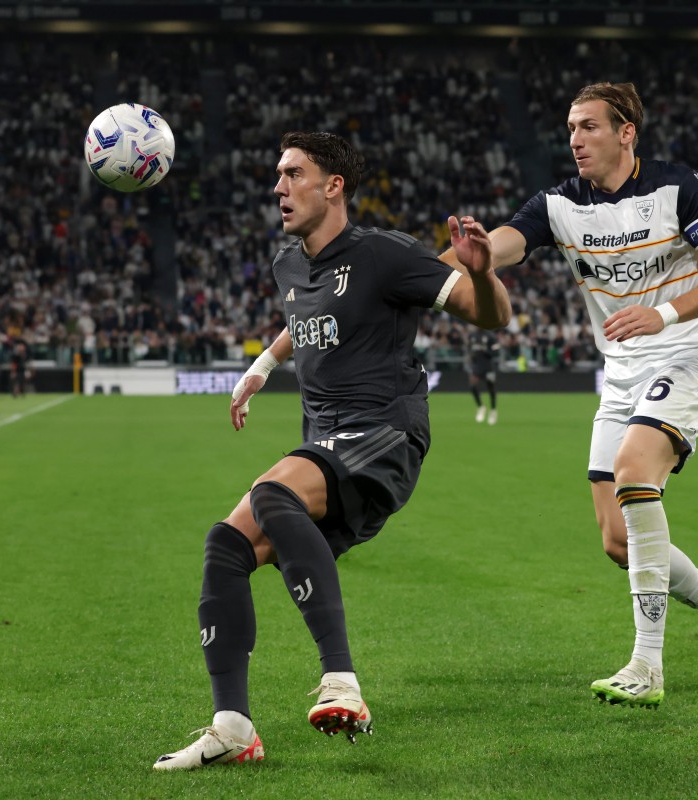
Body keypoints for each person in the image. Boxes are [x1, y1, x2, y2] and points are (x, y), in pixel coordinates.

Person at [153, 131, 510, 770]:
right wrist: (261, 365)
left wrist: (481, 275)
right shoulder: (288, 263)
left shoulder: (386, 255)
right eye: (278, 175)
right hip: (326, 440)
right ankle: (233, 727)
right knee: (226, 547)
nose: (278, 187)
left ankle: (341, 680)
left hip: (385, 434)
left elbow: (492, 317)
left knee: (271, 493)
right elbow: (307, 317)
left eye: (293, 174)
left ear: (333, 186)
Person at [441, 82, 698, 707]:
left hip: (686, 355)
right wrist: (476, 259)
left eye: (588, 126)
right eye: (569, 128)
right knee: (618, 539)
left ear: (625, 132)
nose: (575, 139)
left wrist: (664, 314)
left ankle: (647, 664)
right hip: (620, 374)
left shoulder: (677, 188)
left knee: (635, 470)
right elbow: (508, 239)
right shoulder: (560, 203)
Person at [465, 327, 500, 424]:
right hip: (476, 366)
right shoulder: (472, 336)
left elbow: (496, 352)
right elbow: (469, 348)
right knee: (472, 386)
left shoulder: (491, 336)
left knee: (491, 389)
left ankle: (493, 410)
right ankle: (481, 407)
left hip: (488, 366)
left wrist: (485, 350)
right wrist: (470, 356)